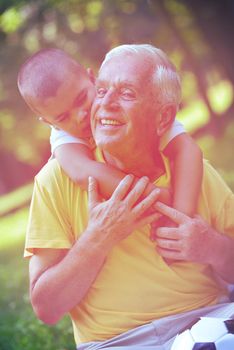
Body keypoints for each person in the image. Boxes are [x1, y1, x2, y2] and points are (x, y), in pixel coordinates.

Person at [24, 44, 234, 350]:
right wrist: (99, 237)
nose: (102, 105)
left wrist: (211, 246)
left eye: (126, 93)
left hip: (209, 320)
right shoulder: (56, 179)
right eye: (104, 90)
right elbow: (46, 308)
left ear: (163, 118)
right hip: (120, 342)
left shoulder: (192, 169)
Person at [18, 48, 203, 224]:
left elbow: (187, 149)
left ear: (93, 78)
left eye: (82, 99)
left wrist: (181, 216)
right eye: (63, 117)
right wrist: (155, 196)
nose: (80, 115)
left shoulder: (140, 113)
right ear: (49, 122)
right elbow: (85, 173)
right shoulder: (62, 139)